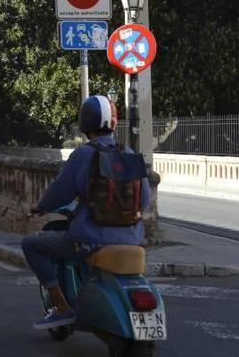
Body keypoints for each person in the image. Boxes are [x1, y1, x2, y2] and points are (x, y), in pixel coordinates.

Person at [21, 95, 151, 330]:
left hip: (89, 240)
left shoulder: (83, 154)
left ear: (85, 123)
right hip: (132, 238)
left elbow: (60, 193)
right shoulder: (130, 154)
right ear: (112, 122)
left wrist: (41, 207)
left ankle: (61, 307)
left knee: (31, 244)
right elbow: (145, 199)